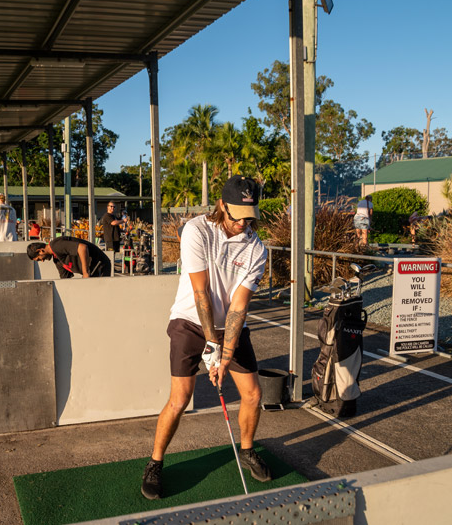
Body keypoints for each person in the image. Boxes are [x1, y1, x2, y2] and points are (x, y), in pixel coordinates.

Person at [141, 175, 271, 500]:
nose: (244, 223)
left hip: (229, 324)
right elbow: (201, 292)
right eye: (237, 215)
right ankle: (155, 463)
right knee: (180, 399)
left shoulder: (256, 248)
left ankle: (246, 450)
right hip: (188, 321)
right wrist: (211, 346)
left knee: (253, 394)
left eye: (249, 215)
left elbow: (238, 305)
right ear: (222, 205)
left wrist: (225, 355)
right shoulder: (196, 230)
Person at [26, 236, 112, 278]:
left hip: (99, 265)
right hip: (92, 271)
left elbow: (82, 248)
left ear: (40, 251)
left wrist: (85, 273)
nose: (42, 261)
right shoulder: (57, 261)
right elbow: (65, 279)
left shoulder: (56, 245)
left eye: (39, 259)